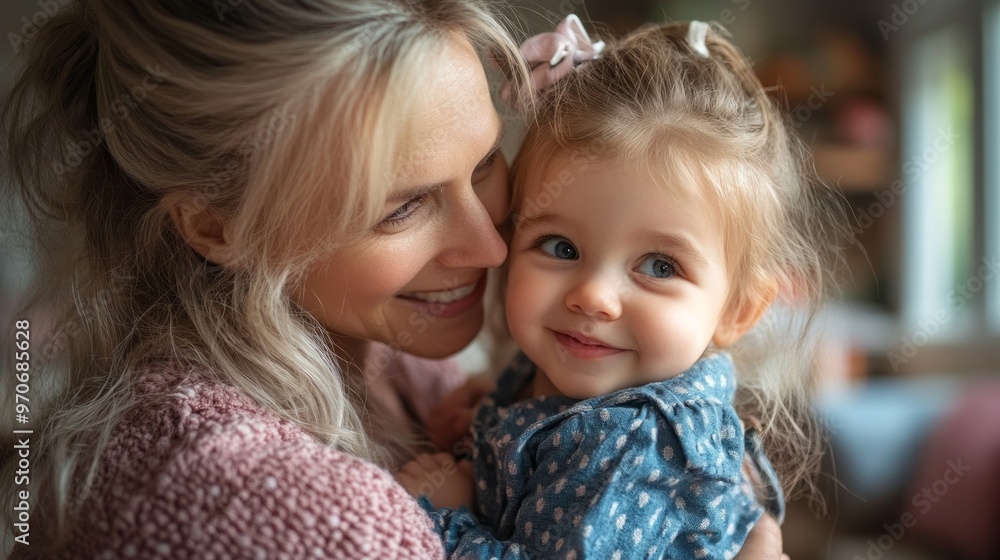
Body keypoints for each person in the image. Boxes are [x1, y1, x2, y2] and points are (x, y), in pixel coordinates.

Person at [0, 1, 786, 557]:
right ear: (218, 226)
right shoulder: (294, 518)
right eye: (403, 207)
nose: (492, 246)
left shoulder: (409, 365)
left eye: (484, 165)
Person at [396, 17, 845, 559]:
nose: (594, 296)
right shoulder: (560, 370)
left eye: (659, 266)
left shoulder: (637, 443)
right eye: (561, 247)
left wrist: (449, 515)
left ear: (738, 311)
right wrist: (486, 429)